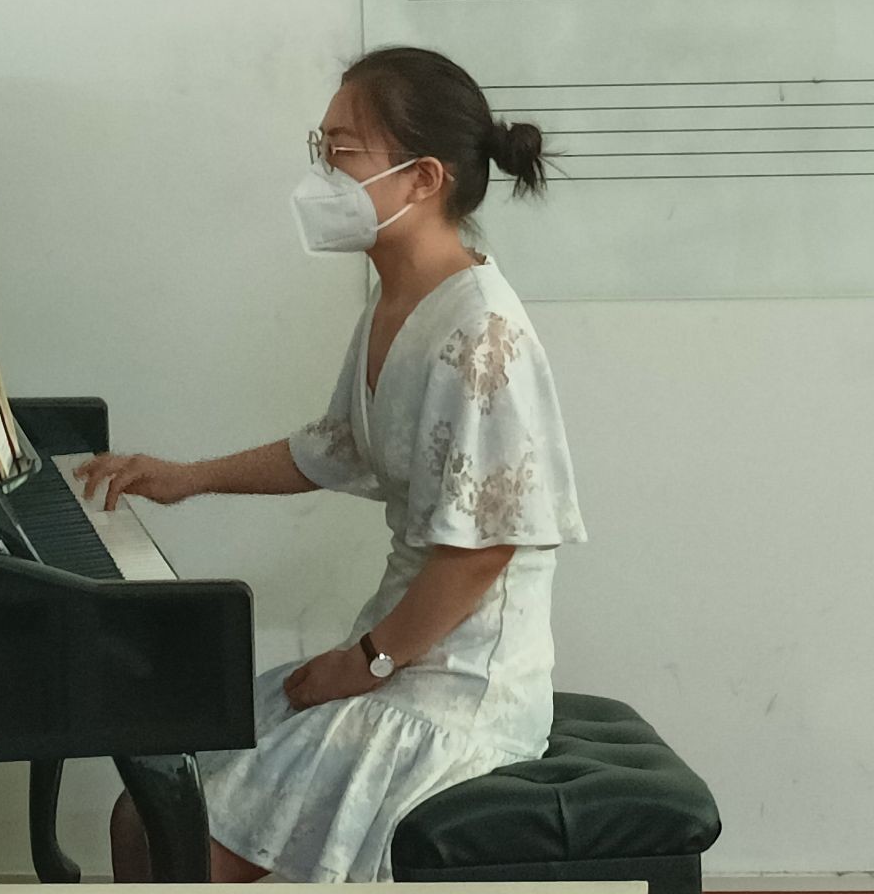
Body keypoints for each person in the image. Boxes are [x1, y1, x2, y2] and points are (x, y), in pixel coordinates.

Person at [75, 45, 586, 882]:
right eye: (321, 147)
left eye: (341, 150)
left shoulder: (481, 333)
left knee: (188, 846)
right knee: (144, 814)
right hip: (399, 650)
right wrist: (186, 477)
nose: (322, 174)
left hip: (457, 687)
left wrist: (368, 661)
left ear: (422, 179)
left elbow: (485, 549)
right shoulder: (399, 301)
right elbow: (337, 446)